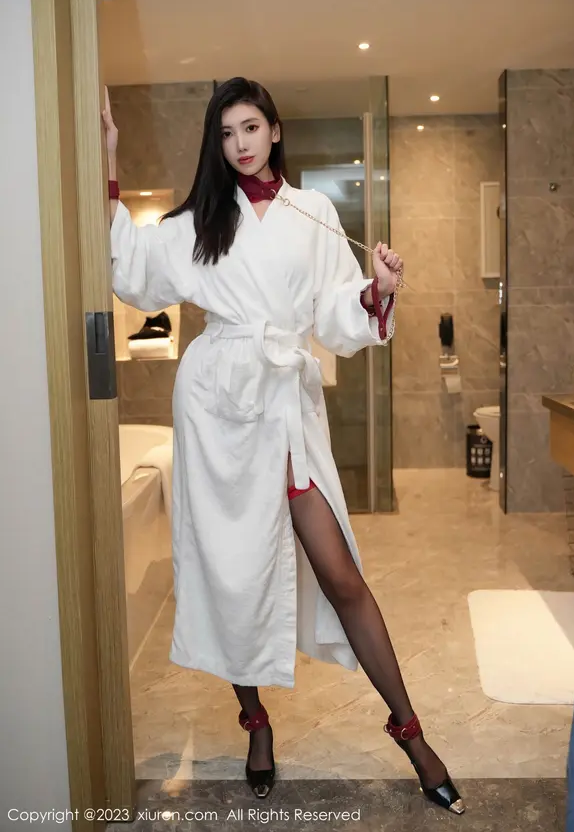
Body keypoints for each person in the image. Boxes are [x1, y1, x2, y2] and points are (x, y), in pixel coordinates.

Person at [102, 77, 465, 815]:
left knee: (342, 574)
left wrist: (375, 290)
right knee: (232, 573)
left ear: (273, 130)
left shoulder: (314, 212)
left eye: (249, 127)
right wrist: (108, 155)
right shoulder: (199, 220)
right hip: (217, 408)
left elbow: (335, 313)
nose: (239, 144)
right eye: (225, 132)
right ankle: (256, 723)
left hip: (286, 408)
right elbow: (131, 270)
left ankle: (413, 735)